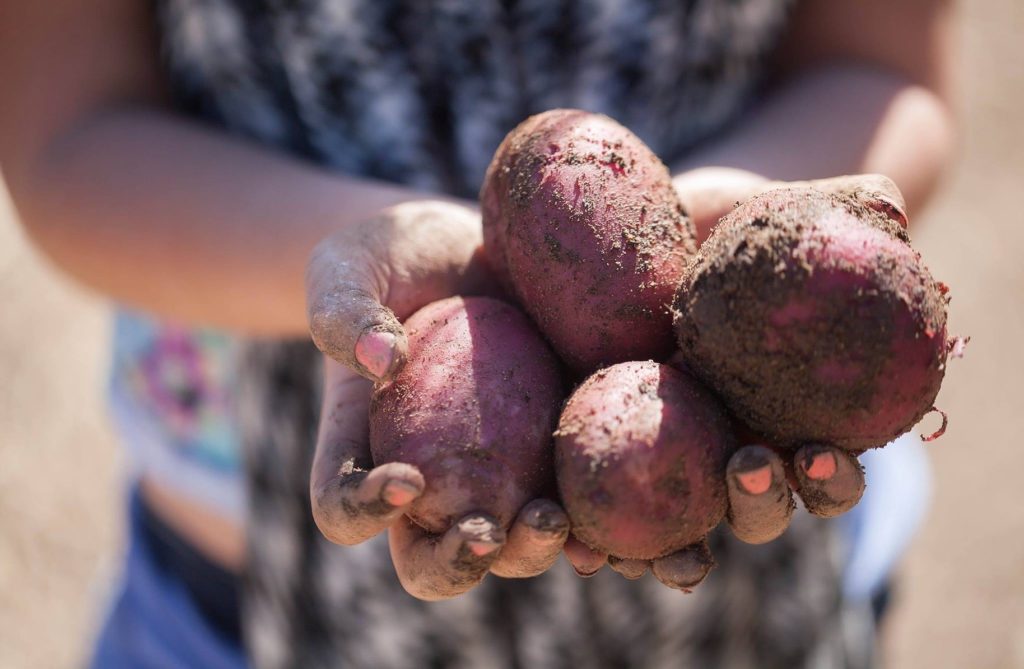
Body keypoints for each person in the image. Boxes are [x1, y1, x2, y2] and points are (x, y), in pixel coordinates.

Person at [0, 0, 954, 667]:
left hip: (755, 595)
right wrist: (348, 258)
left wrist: (745, 251)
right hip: (239, 605)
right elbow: (62, 135)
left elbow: (883, 66)